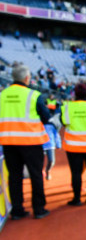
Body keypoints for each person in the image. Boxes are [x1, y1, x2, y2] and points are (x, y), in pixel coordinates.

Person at [0, 64, 51, 219]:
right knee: (36, 175)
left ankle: (17, 210)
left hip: (8, 141)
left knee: (14, 176)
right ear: (26, 78)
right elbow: (46, 117)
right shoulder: (33, 95)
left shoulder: (2, 95)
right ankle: (39, 208)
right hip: (31, 142)